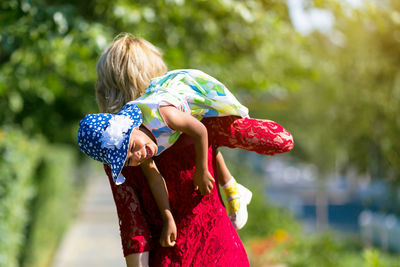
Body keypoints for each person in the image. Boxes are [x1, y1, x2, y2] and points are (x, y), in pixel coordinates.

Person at [93, 33, 294, 266]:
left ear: (104, 89)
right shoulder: (196, 121)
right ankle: (233, 189)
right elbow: (282, 140)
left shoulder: (115, 155)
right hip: (223, 256)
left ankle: (232, 187)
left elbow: (134, 230)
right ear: (158, 76)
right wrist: (221, 115)